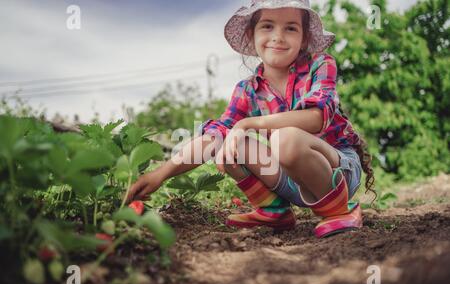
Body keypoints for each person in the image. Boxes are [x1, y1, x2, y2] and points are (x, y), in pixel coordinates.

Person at [127, 0, 377, 238]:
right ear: (251, 34)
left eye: (290, 28)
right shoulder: (247, 90)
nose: (278, 36)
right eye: (267, 26)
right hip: (291, 179)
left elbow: (316, 118)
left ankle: (341, 211)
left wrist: (247, 123)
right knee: (228, 142)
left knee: (284, 139)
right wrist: (160, 174)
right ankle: (272, 210)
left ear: (304, 39)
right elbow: (214, 136)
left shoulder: (321, 65)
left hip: (337, 172)